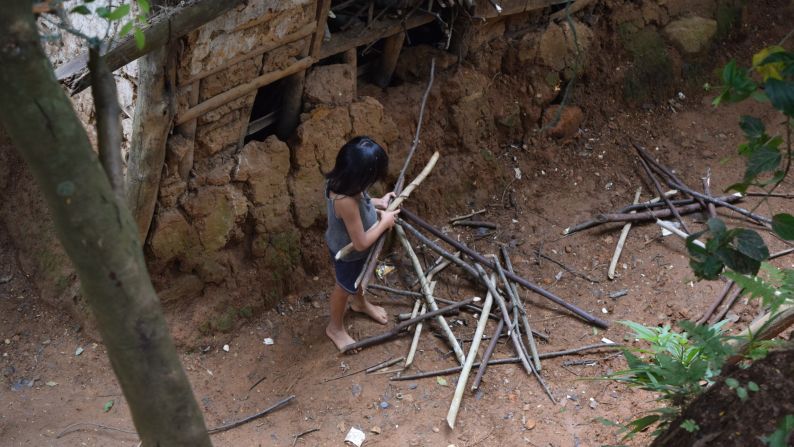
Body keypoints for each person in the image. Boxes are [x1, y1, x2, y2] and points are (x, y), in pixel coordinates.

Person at [324, 136, 400, 351]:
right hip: (348, 254)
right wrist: (384, 222)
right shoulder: (345, 201)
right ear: (361, 178)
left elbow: (362, 202)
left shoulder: (345, 181)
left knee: (357, 281)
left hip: (354, 249)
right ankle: (335, 327)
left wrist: (379, 203)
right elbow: (360, 243)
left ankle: (359, 303)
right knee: (344, 287)